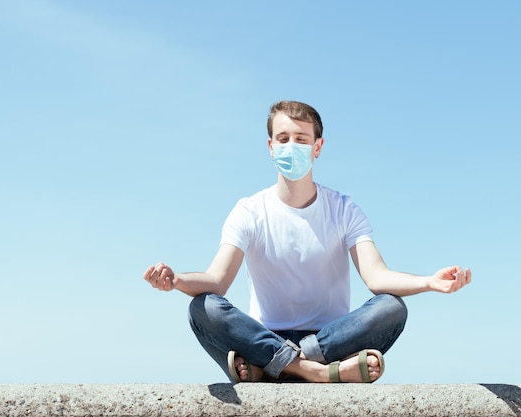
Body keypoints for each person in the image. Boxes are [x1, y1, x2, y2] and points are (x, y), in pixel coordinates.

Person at [143, 100, 471, 383]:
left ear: (318, 147)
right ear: (270, 146)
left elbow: (377, 278)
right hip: (264, 337)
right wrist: (177, 280)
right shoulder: (249, 211)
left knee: (391, 308)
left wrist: (429, 282)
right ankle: (315, 372)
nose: (291, 146)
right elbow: (217, 281)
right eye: (283, 138)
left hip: (331, 339)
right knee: (203, 306)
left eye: (301, 139)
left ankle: (274, 369)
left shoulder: (343, 209)